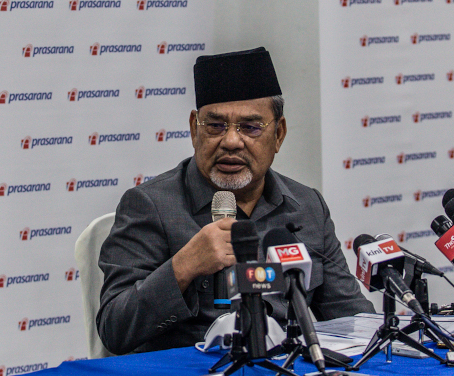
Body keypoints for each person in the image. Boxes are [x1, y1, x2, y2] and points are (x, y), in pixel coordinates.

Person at [97, 47, 373, 354]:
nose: (230, 141)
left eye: (250, 127)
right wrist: (183, 266)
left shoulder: (306, 206)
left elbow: (351, 317)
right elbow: (114, 330)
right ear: (194, 129)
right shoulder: (151, 205)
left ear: (278, 134)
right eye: (215, 126)